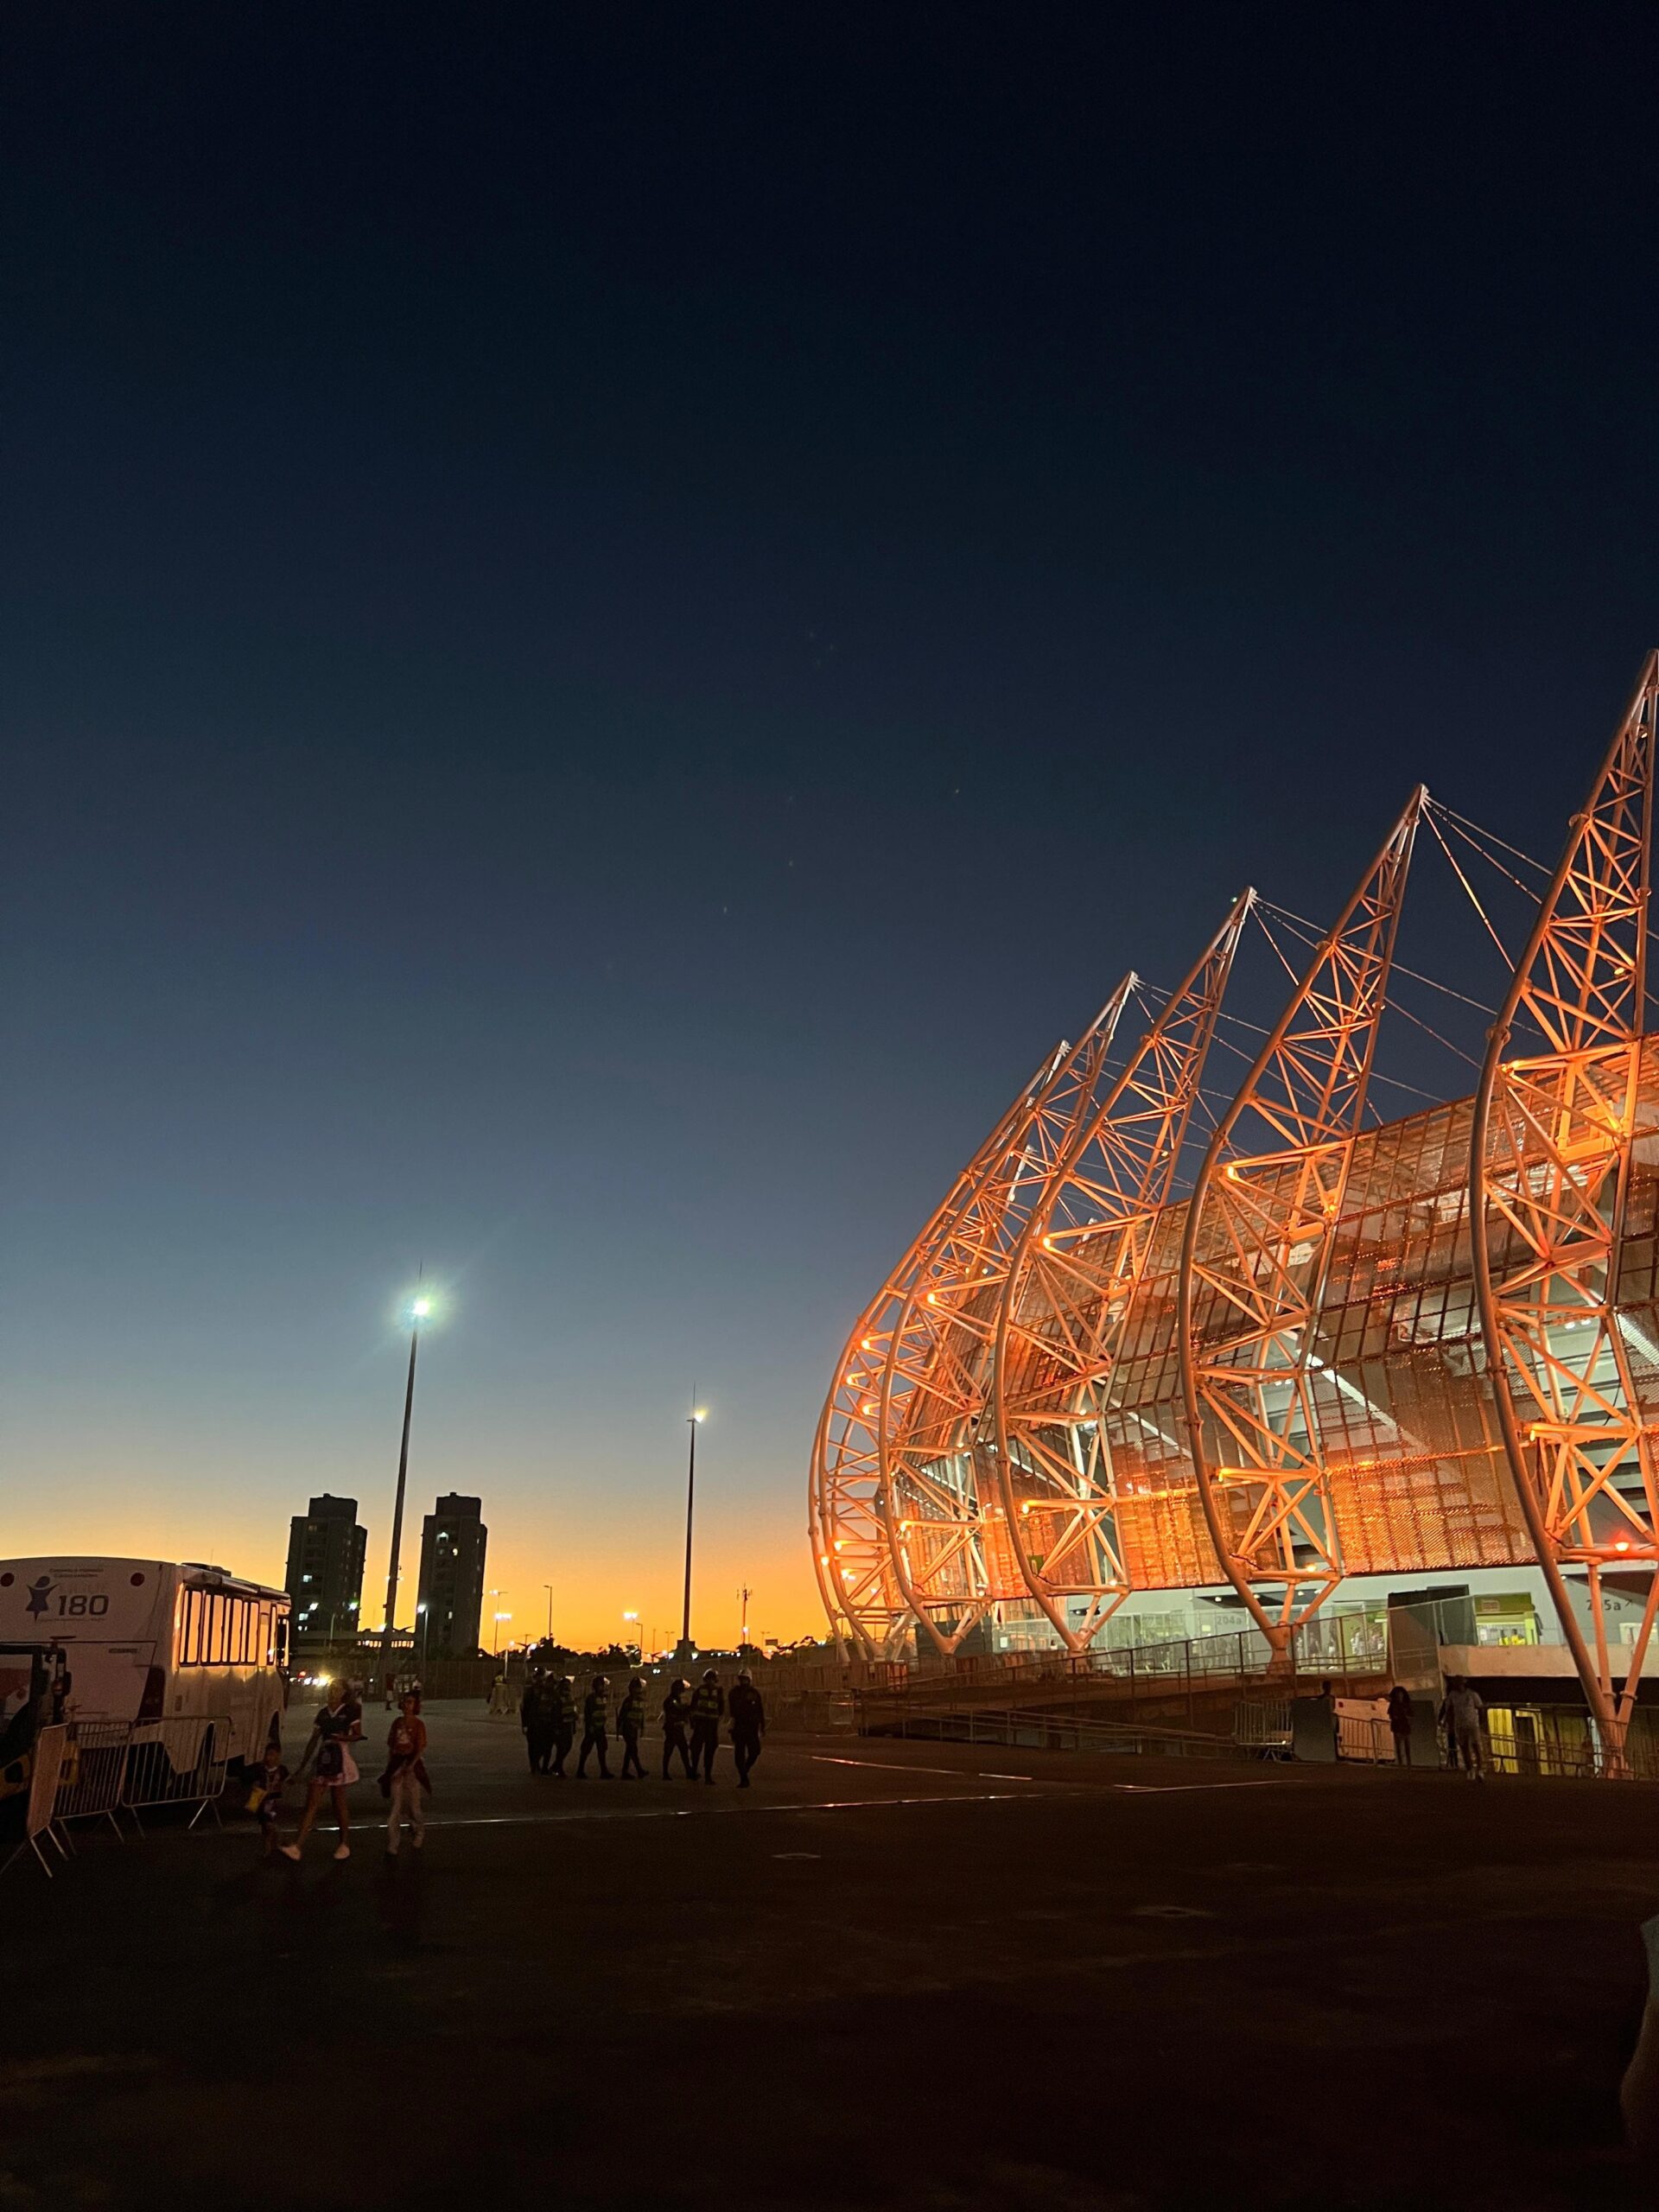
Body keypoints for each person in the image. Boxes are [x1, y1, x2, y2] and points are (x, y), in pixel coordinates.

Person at [281, 1678, 363, 1860]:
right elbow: (313, 1740)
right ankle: (298, 1846)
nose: (332, 1691)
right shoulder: (323, 1713)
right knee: (311, 1803)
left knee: (339, 1802)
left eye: (336, 1688)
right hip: (324, 1757)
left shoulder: (350, 1711)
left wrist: (342, 1737)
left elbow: (358, 1734)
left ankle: (343, 1843)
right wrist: (303, 1766)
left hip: (340, 1756)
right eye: (331, 1688)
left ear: (344, 1692)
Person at [382, 1689, 430, 1854]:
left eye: (410, 1702)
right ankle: (394, 1841)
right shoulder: (397, 1723)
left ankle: (419, 1830)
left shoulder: (418, 1724)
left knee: (414, 1806)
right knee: (396, 1806)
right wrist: (391, 1766)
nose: (406, 1705)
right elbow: (391, 1745)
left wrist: (412, 1765)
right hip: (397, 1764)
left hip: (411, 1766)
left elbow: (420, 1747)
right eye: (405, 1701)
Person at [729, 1669, 766, 1789]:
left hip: (751, 1727)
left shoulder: (754, 1693)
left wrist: (762, 1726)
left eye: (745, 1679)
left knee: (755, 1751)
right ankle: (744, 1778)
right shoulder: (734, 1693)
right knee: (739, 1753)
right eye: (742, 1679)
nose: (743, 1681)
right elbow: (732, 1711)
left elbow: (760, 1710)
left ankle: (745, 1769)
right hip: (740, 1726)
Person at [252, 1742, 289, 1857]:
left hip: (273, 1802)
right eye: (267, 1755)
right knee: (264, 1825)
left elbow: (288, 1781)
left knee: (269, 1824)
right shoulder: (260, 1769)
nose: (269, 1758)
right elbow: (255, 1783)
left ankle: (278, 1842)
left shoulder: (282, 1770)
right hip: (262, 1801)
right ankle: (270, 1847)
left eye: (272, 1755)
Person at [689, 1669, 724, 1784]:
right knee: (703, 1750)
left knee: (699, 1749)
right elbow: (722, 1708)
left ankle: (699, 1773)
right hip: (707, 1724)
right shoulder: (717, 1691)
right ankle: (703, 1775)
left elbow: (693, 1707)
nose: (710, 1682)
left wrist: (692, 1721)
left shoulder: (699, 1690)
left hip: (704, 1724)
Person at [1446, 1675, 1486, 1779]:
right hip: (1460, 1724)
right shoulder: (1452, 1695)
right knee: (1465, 1748)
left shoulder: (1472, 1694)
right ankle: (1470, 1769)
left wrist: (1481, 1721)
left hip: (1472, 1724)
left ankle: (1480, 1770)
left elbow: (1480, 1708)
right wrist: (1450, 1725)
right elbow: (1450, 1711)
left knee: (1476, 1747)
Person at [577, 1675, 613, 1778]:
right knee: (586, 1749)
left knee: (602, 1749)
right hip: (593, 1728)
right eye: (601, 1685)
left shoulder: (603, 1697)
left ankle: (604, 1771)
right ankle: (580, 1770)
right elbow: (588, 1713)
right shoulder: (591, 1698)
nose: (603, 1687)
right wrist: (590, 1726)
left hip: (600, 1727)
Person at [660, 1678, 695, 1779]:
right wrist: (688, 1708)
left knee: (682, 1751)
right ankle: (666, 1773)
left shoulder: (674, 1699)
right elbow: (679, 1710)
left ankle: (688, 1771)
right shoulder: (671, 1700)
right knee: (669, 1751)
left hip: (677, 1729)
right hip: (672, 1729)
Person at [522, 1669, 552, 1775]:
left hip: (541, 1721)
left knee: (541, 1745)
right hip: (534, 1722)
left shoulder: (545, 1690)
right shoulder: (532, 1690)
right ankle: (534, 1765)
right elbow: (525, 1708)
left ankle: (536, 1764)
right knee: (533, 1745)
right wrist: (525, 1724)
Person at [617, 1676, 648, 1779]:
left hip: (635, 1728)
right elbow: (622, 1715)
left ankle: (626, 1772)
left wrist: (642, 1728)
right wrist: (620, 1727)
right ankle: (638, 1770)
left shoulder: (640, 1700)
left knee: (630, 1750)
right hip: (628, 1728)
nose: (638, 1690)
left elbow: (641, 1715)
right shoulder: (629, 1700)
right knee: (632, 1750)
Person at [550, 1675, 577, 1778]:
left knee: (568, 1746)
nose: (567, 1687)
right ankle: (559, 1768)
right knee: (561, 1748)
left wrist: (574, 1723)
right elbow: (556, 1713)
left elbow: (571, 1709)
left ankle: (556, 1766)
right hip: (561, 1725)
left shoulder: (569, 1696)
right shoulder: (558, 1697)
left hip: (569, 1724)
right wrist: (556, 1727)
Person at [1385, 1683, 1414, 1767]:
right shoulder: (1394, 1705)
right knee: (1399, 1745)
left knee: (1406, 1745)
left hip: (1404, 1726)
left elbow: (1411, 1714)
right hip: (1398, 1726)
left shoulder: (1405, 1704)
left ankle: (1408, 1762)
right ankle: (1402, 1762)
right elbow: (1391, 1715)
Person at [1437, 1684, 1462, 1770]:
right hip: (1454, 1725)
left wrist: (1440, 1721)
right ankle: (1454, 1762)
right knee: (1453, 1745)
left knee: (1452, 1745)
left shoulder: (1447, 1701)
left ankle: (1453, 1763)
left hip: (1452, 1725)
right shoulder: (1456, 1700)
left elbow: (1442, 1712)